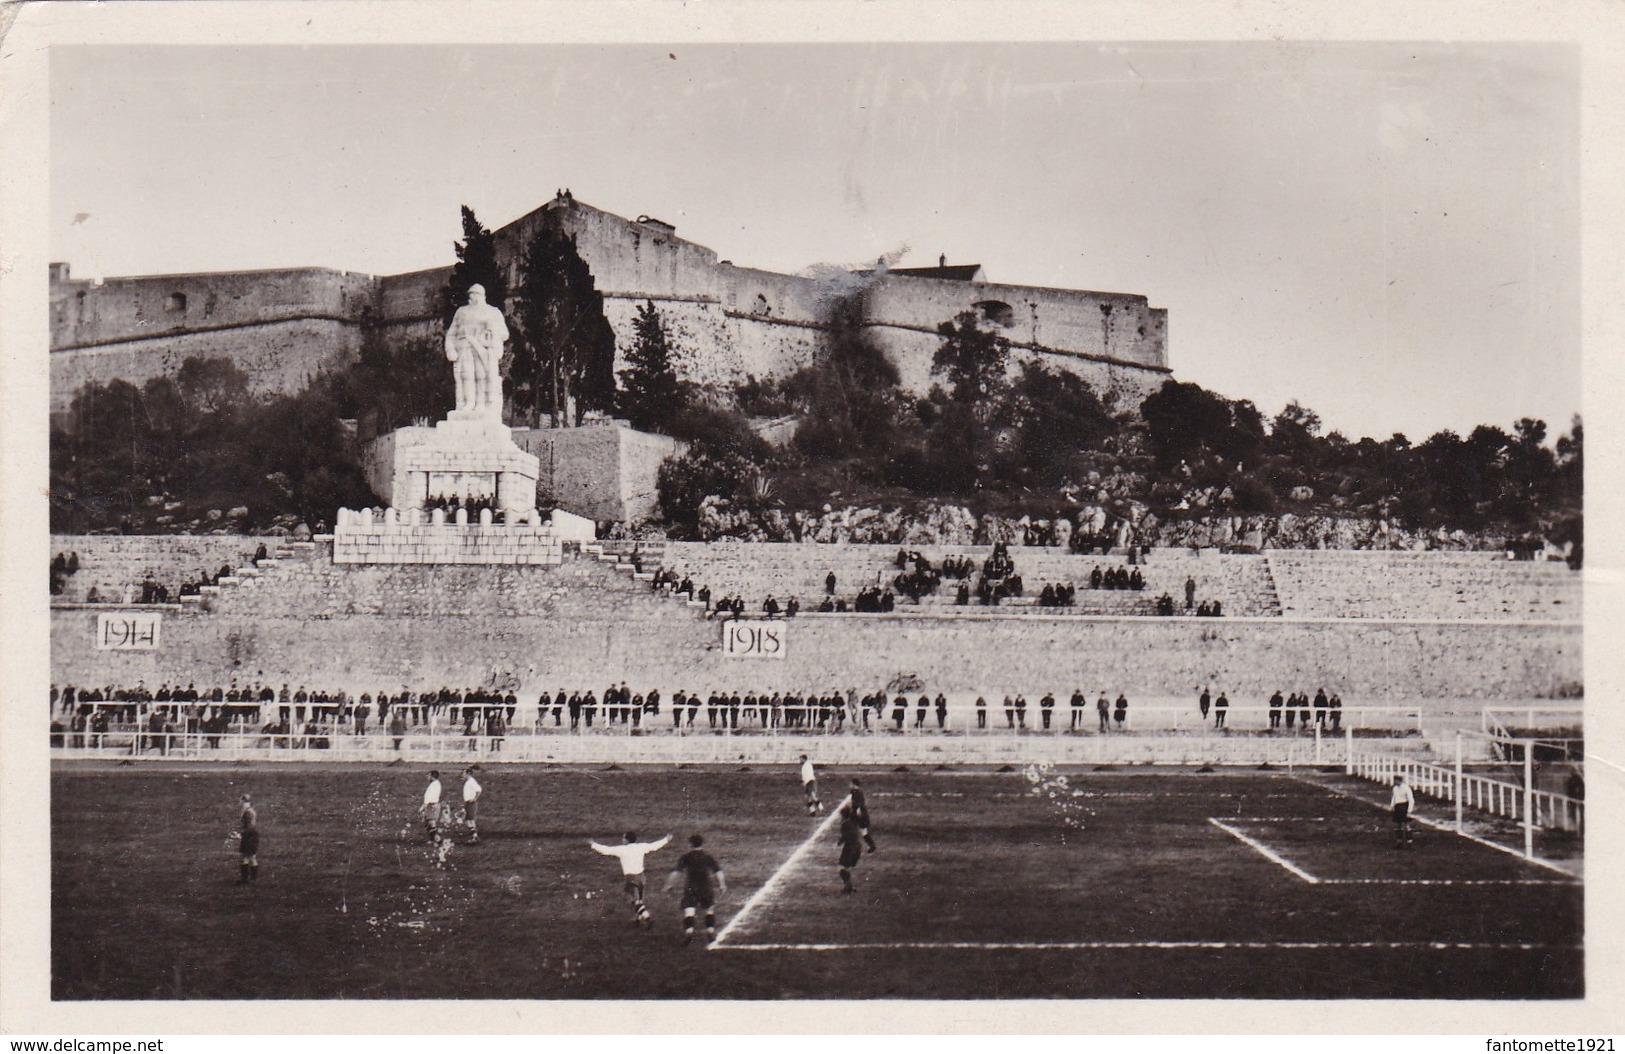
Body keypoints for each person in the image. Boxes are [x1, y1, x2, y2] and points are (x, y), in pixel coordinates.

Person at [444, 283, 509, 417]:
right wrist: (450, 349)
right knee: (466, 376)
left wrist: (491, 337)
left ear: (482, 296)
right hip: (465, 349)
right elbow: (451, 333)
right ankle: (468, 403)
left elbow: (504, 333)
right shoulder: (461, 312)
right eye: (471, 294)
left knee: (482, 376)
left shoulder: (493, 311)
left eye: (476, 293)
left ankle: (480, 404)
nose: (473, 296)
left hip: (483, 350)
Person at [591, 831, 671, 928]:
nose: (622, 840)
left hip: (631, 878)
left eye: (623, 838)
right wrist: (666, 839)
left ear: (627, 840)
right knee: (639, 901)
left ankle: (648, 919)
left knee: (633, 900)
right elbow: (654, 846)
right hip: (642, 878)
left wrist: (593, 844)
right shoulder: (641, 847)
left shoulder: (622, 850)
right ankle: (638, 919)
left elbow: (606, 850)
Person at [665, 834, 726, 945]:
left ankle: (689, 934)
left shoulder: (686, 857)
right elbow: (718, 872)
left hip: (691, 887)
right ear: (701, 843)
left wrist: (669, 885)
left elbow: (676, 873)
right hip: (706, 887)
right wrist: (722, 885)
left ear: (690, 844)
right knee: (709, 910)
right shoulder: (707, 856)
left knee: (689, 911)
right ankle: (710, 933)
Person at [836, 805, 864, 894]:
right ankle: (849, 887)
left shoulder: (845, 824)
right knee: (846, 868)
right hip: (858, 847)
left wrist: (840, 842)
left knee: (841, 868)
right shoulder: (854, 821)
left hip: (850, 847)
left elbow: (845, 836)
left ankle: (848, 887)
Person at [845, 778, 877, 852]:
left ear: (854, 784)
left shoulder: (858, 794)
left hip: (860, 816)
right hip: (860, 816)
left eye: (850, 784)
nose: (849, 785)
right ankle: (872, 846)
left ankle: (870, 846)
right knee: (862, 832)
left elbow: (859, 806)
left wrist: (857, 813)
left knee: (858, 831)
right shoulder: (856, 792)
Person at [237, 793, 260, 884]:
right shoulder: (249, 811)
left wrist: (243, 834)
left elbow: (251, 826)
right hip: (251, 835)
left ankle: (245, 879)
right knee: (250, 857)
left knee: (246, 857)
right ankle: (252, 879)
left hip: (249, 835)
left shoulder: (248, 812)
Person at [1390, 775, 1416, 849]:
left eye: (1395, 780)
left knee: (1406, 825)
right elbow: (1394, 798)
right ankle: (1399, 842)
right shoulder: (1395, 788)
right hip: (1397, 807)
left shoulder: (1406, 788)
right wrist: (1392, 807)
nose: (1394, 782)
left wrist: (1409, 811)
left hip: (1404, 806)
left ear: (1399, 780)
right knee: (1398, 825)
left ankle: (1409, 843)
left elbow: (1411, 800)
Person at [461, 766, 483, 843]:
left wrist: (474, 798)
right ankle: (475, 837)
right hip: (468, 803)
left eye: (464, 773)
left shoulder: (471, 781)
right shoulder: (469, 782)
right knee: (470, 820)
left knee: (468, 821)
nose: (462, 775)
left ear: (468, 774)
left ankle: (475, 837)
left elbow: (479, 790)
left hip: (471, 803)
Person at [420, 770, 443, 844]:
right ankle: (433, 838)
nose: (427, 777)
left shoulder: (434, 785)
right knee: (428, 822)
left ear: (432, 777)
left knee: (431, 822)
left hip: (432, 805)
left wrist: (423, 806)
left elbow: (429, 796)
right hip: (431, 804)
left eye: (429, 776)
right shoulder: (435, 784)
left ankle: (437, 839)